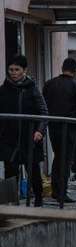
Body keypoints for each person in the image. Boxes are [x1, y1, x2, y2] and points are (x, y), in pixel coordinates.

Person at [0, 54, 48, 207]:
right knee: (10, 170)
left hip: (30, 136)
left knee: (33, 169)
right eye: (10, 69)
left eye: (17, 69)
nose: (13, 72)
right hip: (9, 137)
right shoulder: (3, 90)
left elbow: (43, 111)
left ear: (24, 70)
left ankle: (38, 200)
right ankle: (12, 203)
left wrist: (40, 130)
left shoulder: (32, 88)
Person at [43, 57, 76, 203]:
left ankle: (56, 190)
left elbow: (44, 106)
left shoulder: (49, 84)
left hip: (53, 127)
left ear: (62, 68)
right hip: (70, 129)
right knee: (66, 160)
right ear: (75, 70)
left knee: (58, 157)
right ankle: (61, 193)